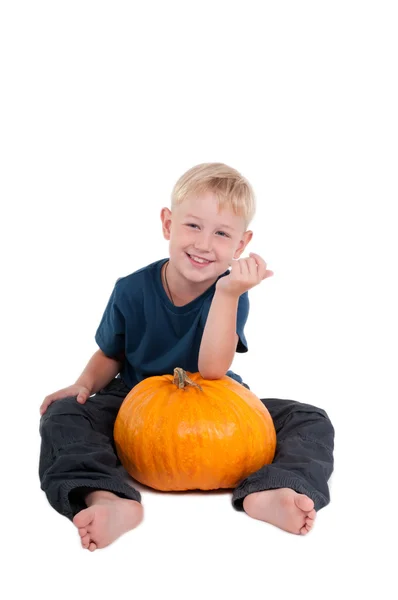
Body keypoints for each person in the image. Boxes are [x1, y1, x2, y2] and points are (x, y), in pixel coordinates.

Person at [39, 162, 334, 551]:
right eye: (193, 226)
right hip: (135, 403)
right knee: (63, 414)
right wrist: (83, 385)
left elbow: (213, 369)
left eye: (221, 233)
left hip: (213, 404)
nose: (204, 244)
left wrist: (228, 294)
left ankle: (273, 488)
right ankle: (105, 495)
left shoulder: (231, 292)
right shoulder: (130, 289)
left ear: (240, 245)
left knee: (309, 418)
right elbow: (110, 352)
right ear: (168, 224)